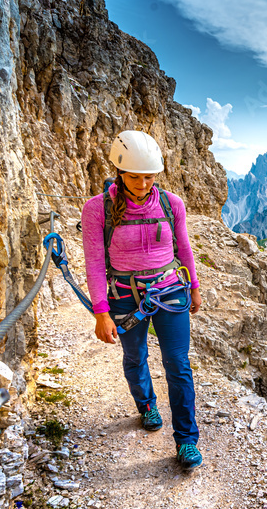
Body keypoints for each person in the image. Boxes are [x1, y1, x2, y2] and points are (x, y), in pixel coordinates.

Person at [80, 130, 203, 470]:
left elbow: (184, 248)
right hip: (124, 297)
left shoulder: (170, 203)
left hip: (170, 293)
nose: (143, 183)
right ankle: (147, 404)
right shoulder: (97, 209)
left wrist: (193, 287)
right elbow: (94, 263)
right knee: (135, 356)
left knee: (178, 365)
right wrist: (100, 313)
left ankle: (186, 441)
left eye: (149, 176)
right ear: (119, 172)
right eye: (134, 176)